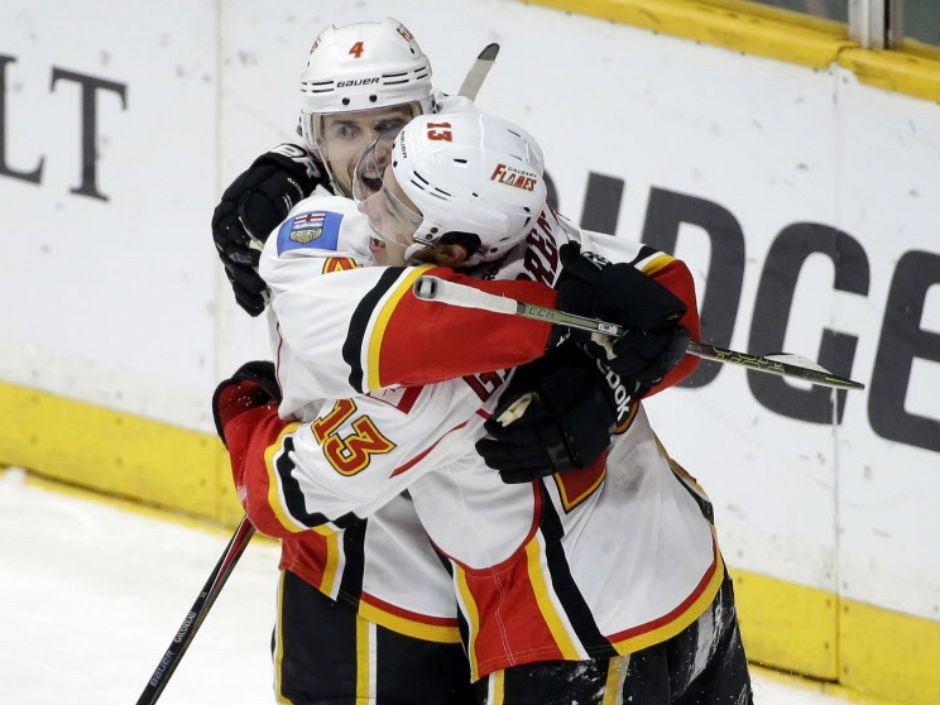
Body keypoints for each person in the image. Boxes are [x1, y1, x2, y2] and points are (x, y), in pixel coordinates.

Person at [213, 110, 753, 704]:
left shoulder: (419, 386)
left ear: (450, 251)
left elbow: (277, 494)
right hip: (692, 578)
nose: (370, 210)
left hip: (568, 644)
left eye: (393, 207)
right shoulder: (544, 236)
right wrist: (611, 373)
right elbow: (669, 303)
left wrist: (245, 406)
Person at [211, 19, 480, 705]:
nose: (373, 153)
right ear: (315, 135)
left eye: (390, 125)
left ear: (427, 117)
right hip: (397, 589)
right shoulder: (447, 203)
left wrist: (251, 430)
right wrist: (289, 163)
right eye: (346, 130)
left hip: (396, 587)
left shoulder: (326, 238)